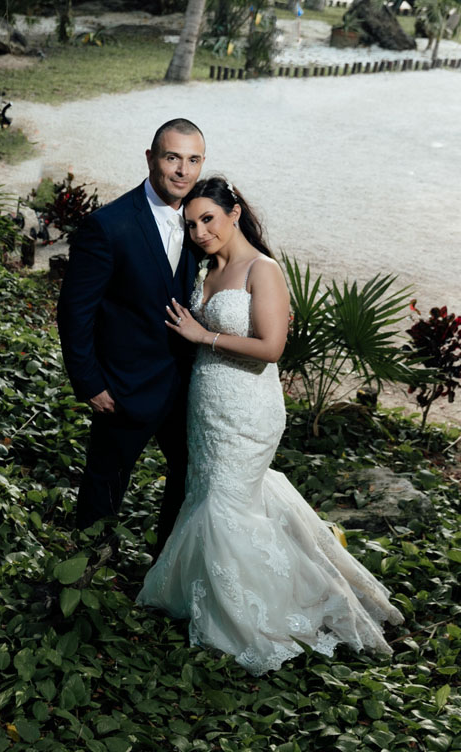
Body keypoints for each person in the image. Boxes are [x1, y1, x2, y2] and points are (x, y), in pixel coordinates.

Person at [137, 176, 404, 675]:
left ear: (234, 212)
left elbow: (271, 349)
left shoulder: (264, 269)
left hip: (250, 407)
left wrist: (204, 335)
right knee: (210, 494)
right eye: (191, 223)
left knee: (224, 503)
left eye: (208, 219)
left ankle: (250, 614)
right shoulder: (204, 268)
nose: (199, 231)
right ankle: (205, 591)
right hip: (207, 405)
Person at [57, 118, 204, 547]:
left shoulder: (204, 220)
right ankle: (86, 575)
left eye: (193, 160)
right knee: (104, 489)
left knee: (189, 477)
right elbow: (74, 311)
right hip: (123, 387)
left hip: (188, 386)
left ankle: (165, 565)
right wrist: (90, 383)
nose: (183, 170)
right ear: (150, 158)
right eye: (172, 157)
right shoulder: (109, 226)